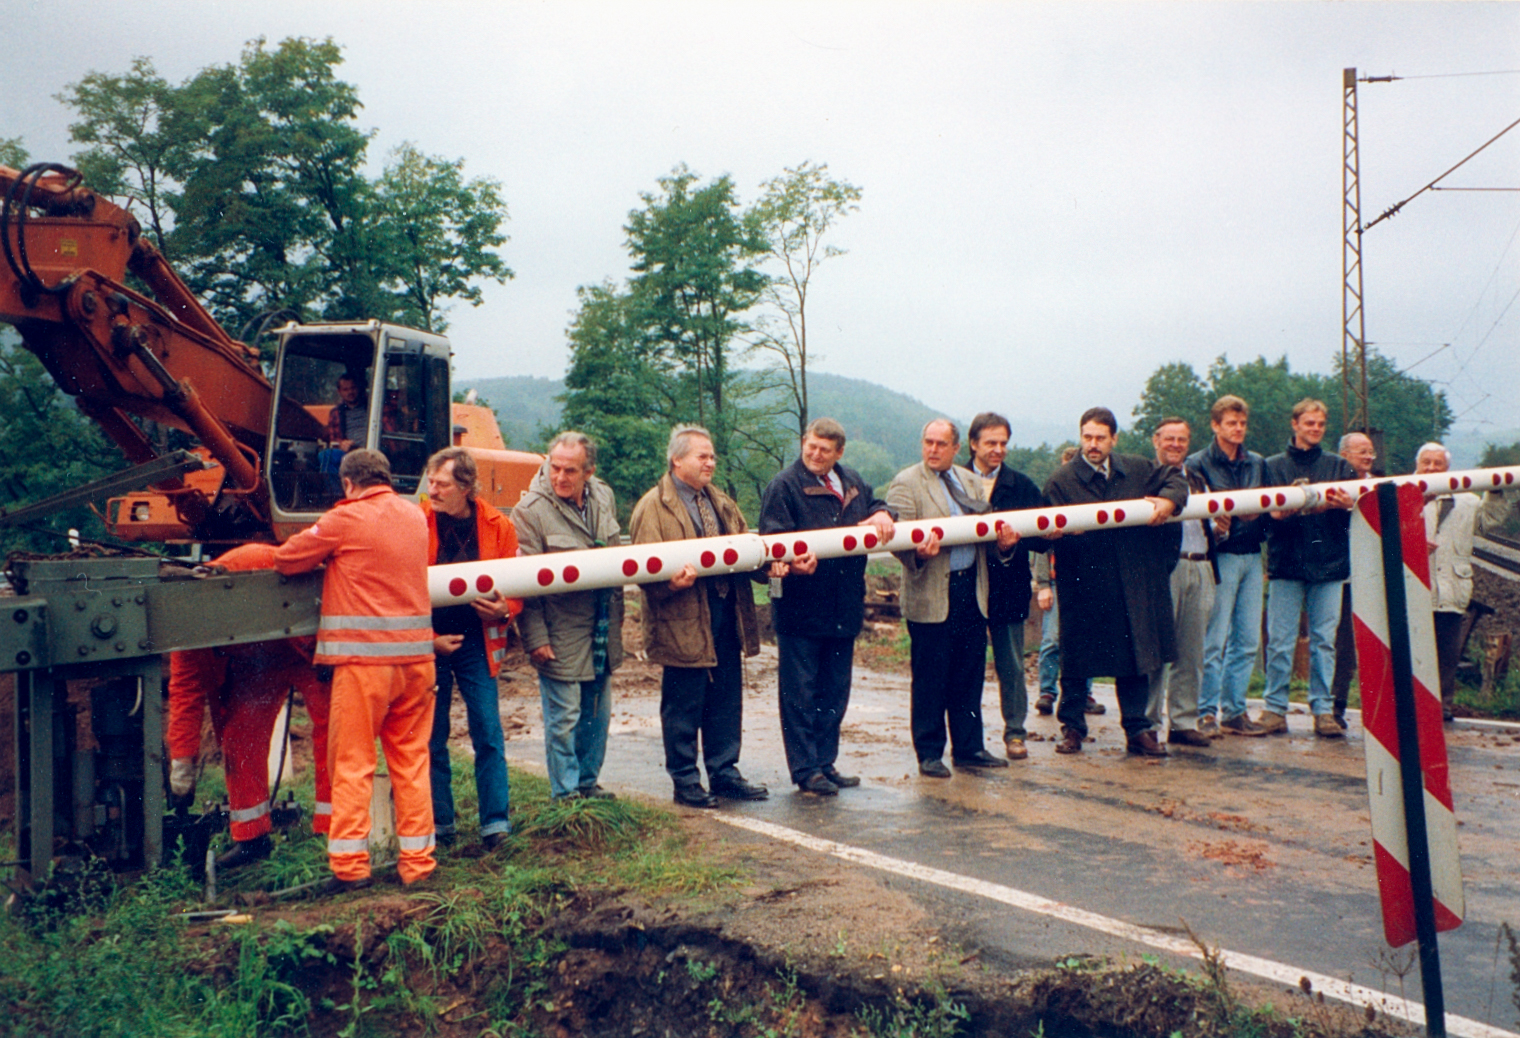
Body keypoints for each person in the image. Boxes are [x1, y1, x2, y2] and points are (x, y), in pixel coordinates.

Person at [273, 449, 437, 890]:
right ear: (386, 477)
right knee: (412, 762)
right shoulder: (415, 516)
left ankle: (350, 868)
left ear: (348, 483)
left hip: (364, 666)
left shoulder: (344, 518)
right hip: (417, 663)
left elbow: (287, 559)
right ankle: (418, 864)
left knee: (352, 763)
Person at [166, 543, 332, 869]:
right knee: (240, 737)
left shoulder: (255, 562)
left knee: (334, 727)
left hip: (305, 648)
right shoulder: (185, 626)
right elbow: (185, 693)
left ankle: (335, 829)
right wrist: (182, 764)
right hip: (257, 666)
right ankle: (251, 837)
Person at [630, 426, 769, 808]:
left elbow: (745, 546)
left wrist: (768, 567)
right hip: (682, 621)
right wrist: (669, 585)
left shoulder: (721, 501)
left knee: (726, 699)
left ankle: (724, 773)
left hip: (726, 615)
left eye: (712, 456)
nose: (710, 463)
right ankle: (686, 781)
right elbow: (641, 571)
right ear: (677, 460)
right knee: (683, 704)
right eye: (702, 456)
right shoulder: (652, 507)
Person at [758, 418, 896, 794]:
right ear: (803, 442)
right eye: (811, 446)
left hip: (844, 606)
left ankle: (826, 762)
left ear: (839, 452)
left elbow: (876, 503)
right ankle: (806, 769)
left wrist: (883, 513)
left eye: (824, 450)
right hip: (801, 608)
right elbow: (772, 540)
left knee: (835, 691)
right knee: (801, 694)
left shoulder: (851, 481)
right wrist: (791, 565)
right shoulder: (784, 485)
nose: (815, 454)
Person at [1042, 407, 1186, 757]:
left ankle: (1138, 730)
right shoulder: (1061, 480)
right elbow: (1043, 533)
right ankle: (1072, 728)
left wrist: (1170, 500)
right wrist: (1056, 534)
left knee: (1135, 657)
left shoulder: (1138, 469)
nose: (1093, 445)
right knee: (1076, 660)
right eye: (1087, 437)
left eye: (1100, 438)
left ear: (1114, 439)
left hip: (1130, 582)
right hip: (1083, 584)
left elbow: (1175, 479)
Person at [886, 419, 1017, 777]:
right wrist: (918, 553)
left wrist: (1004, 546)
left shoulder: (972, 482)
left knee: (969, 675)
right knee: (930, 679)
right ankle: (929, 753)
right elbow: (897, 541)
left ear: (956, 448)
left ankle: (969, 748)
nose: (933, 449)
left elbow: (985, 536)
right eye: (928, 442)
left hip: (972, 591)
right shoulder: (906, 482)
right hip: (931, 594)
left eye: (941, 444)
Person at [421, 448, 522, 850]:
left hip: (477, 642)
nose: (432, 491)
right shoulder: (418, 523)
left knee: (488, 730)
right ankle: (440, 824)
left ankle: (495, 824)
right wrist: (427, 640)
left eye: (442, 484)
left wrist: (504, 610)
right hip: (430, 641)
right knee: (432, 736)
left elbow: (517, 584)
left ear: (466, 488)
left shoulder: (500, 526)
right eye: (430, 482)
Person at [515, 432, 624, 800]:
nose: (560, 477)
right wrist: (536, 637)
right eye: (555, 467)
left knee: (597, 712)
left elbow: (615, 557)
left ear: (588, 472)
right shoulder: (530, 511)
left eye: (570, 470)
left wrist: (617, 620)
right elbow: (525, 583)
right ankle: (565, 794)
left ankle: (588, 783)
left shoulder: (604, 496)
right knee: (564, 718)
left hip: (601, 625)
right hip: (558, 628)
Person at [1261, 399, 1357, 738]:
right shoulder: (1272, 466)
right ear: (1295, 424)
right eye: (1309, 423)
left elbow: (1354, 517)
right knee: (1280, 641)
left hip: (1329, 565)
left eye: (1320, 424)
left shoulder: (1340, 466)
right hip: (1286, 563)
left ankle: (1323, 709)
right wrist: (1281, 513)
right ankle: (1274, 708)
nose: (1315, 429)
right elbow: (1264, 519)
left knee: (1324, 642)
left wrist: (1348, 507)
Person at [1186, 395, 1270, 738]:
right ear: (1215, 425)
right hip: (1219, 555)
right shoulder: (1197, 463)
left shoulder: (1257, 463)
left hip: (1252, 553)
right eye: (1231, 423)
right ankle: (1205, 711)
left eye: (1242, 423)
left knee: (1247, 639)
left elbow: (1267, 505)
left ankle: (1234, 709)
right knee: (1214, 638)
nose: (1238, 429)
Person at [1414, 442, 1515, 721]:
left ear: (1448, 468)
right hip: (1414, 586)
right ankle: (1411, 703)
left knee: (1447, 652)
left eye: (1438, 464)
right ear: (1417, 466)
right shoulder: (1402, 497)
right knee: (1412, 650)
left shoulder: (1468, 501)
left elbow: (1488, 521)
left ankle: (1442, 704)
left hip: (1451, 588)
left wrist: (1494, 490)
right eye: (1426, 463)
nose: (1432, 468)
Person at [965, 412, 1043, 761]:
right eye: (990, 443)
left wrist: (1014, 544)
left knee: (1011, 665)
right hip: (965, 589)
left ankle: (1015, 733)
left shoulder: (1022, 486)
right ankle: (968, 740)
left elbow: (1041, 537)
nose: (998, 449)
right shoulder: (953, 481)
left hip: (1008, 588)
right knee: (966, 667)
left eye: (1003, 443)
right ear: (973, 444)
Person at [1146, 418, 1215, 748]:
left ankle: (1184, 721)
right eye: (1169, 439)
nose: (1175, 445)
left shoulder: (1199, 479)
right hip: (1163, 568)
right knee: (1156, 648)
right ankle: (1146, 723)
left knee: (1192, 651)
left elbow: (1211, 525)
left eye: (1182, 440)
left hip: (1200, 565)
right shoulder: (1146, 477)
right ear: (1156, 441)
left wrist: (1221, 529)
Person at [1033, 447, 1096, 719]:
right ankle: (1047, 691)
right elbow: (1041, 548)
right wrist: (1043, 584)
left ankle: (1086, 693)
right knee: (1052, 639)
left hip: (1088, 579)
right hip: (1057, 580)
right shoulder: (1052, 501)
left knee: (1087, 638)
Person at [1328, 431, 1377, 727]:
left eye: (1370, 451)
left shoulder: (1379, 486)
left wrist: (1353, 508)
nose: (1368, 457)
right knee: (1342, 645)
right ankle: (1336, 705)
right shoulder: (1332, 486)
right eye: (1362, 451)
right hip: (1343, 576)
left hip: (1373, 578)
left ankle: (1382, 709)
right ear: (1344, 455)